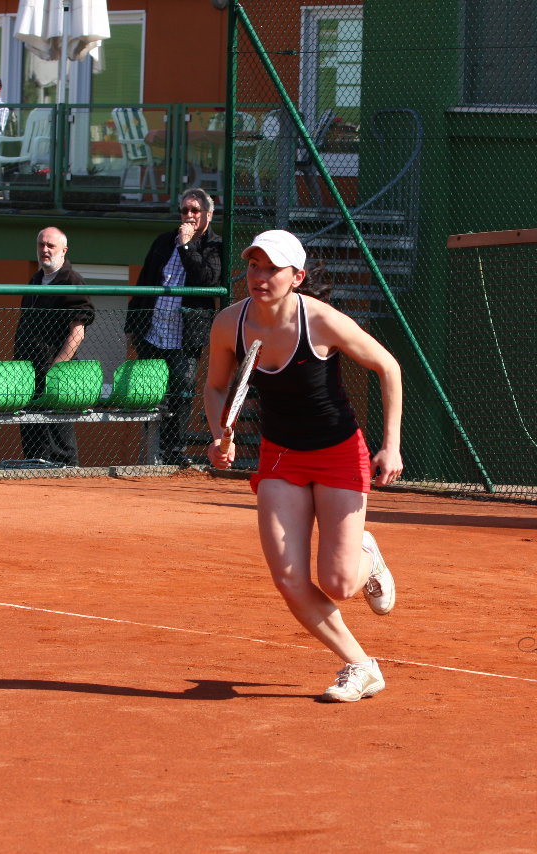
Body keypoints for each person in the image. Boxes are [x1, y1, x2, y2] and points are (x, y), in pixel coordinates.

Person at [203, 229, 403, 703]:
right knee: (289, 578)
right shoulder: (229, 324)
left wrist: (390, 445)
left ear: (297, 277)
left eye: (272, 268)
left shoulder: (321, 320)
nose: (260, 276)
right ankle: (359, 665)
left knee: (338, 583)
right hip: (280, 456)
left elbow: (388, 367)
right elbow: (215, 388)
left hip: (338, 453)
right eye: (253, 266)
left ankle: (367, 557)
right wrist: (218, 433)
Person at [124, 187, 222, 467]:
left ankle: (174, 453)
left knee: (181, 392)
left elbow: (206, 280)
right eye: (184, 210)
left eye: (195, 210)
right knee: (151, 392)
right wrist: (132, 325)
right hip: (152, 332)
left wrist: (188, 245)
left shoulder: (215, 246)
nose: (189, 216)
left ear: (208, 214)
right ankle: (153, 453)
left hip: (185, 337)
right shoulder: (162, 241)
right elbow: (143, 283)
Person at [14, 227, 96, 466]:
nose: (44, 250)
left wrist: (57, 368)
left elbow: (78, 331)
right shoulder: (36, 280)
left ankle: (67, 481)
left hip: (55, 376)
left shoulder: (71, 280)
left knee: (59, 439)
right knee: (32, 437)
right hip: (29, 373)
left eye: (50, 245)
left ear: (64, 250)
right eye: (41, 245)